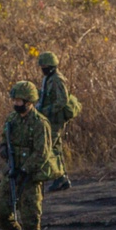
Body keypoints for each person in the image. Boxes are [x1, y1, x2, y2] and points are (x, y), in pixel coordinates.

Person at [0, 81, 58, 230]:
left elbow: (42, 152)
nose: (16, 103)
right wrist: (4, 150)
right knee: (1, 211)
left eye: (19, 100)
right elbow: (3, 139)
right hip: (13, 173)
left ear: (29, 101)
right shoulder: (11, 119)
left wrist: (25, 170)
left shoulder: (40, 123)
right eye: (14, 100)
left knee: (30, 214)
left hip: (30, 175)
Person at [35, 51, 72, 191]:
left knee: (49, 148)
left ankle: (59, 178)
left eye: (44, 65)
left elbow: (63, 100)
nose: (42, 68)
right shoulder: (48, 79)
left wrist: (47, 111)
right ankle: (62, 178)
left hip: (55, 119)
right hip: (49, 119)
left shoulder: (57, 79)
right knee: (55, 148)